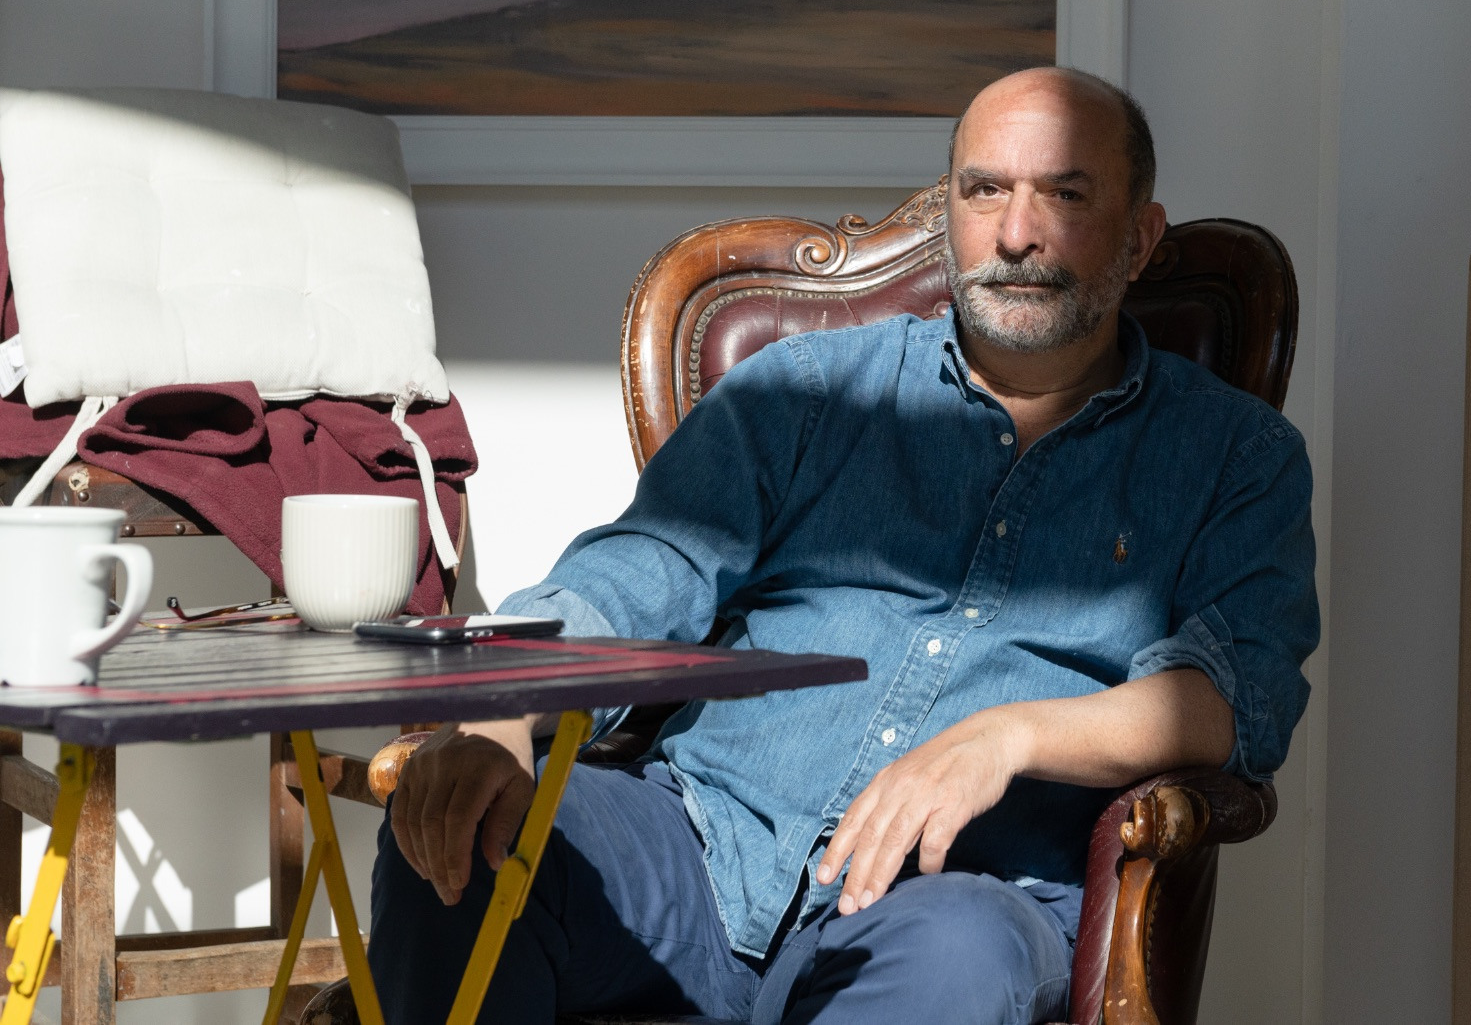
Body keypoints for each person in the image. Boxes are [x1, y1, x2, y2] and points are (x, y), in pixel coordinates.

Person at [368, 67, 1321, 1025]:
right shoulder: (808, 392)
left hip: (955, 897)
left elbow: (1238, 693)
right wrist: (504, 707)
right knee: (461, 826)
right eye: (985, 189)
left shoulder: (1236, 455)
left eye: (1066, 195)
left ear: (1142, 237)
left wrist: (1011, 733)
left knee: (958, 955)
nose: (1018, 233)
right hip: (702, 847)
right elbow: (645, 567)